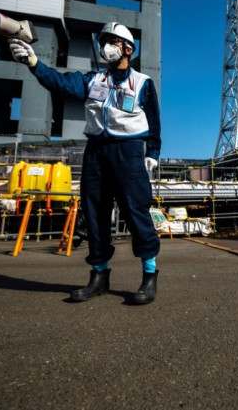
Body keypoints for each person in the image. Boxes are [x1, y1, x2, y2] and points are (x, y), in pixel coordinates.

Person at [9, 22, 161, 304]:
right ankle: (99, 275)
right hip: (96, 152)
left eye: (113, 41)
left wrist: (152, 152)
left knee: (136, 211)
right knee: (94, 213)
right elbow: (59, 81)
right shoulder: (93, 81)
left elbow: (154, 121)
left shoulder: (142, 83)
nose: (107, 47)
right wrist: (33, 62)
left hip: (128, 152)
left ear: (128, 48)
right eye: (104, 41)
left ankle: (149, 275)